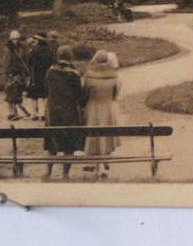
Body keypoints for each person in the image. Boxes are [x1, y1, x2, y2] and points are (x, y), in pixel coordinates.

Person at [44, 45, 85, 179]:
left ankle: (48, 172)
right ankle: (65, 174)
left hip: (53, 111)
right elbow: (79, 95)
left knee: (52, 144)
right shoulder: (74, 74)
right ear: (70, 57)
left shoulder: (50, 71)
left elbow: (46, 90)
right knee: (69, 144)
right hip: (69, 112)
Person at [83, 50, 122, 176]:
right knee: (106, 134)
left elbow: (84, 95)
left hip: (93, 106)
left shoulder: (89, 76)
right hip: (108, 107)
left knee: (93, 133)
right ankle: (105, 161)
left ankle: (93, 162)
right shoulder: (115, 76)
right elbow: (116, 94)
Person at [4, 31, 32, 120]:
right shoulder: (9, 49)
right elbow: (6, 62)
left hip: (20, 73)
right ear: (10, 40)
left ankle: (17, 112)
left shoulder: (22, 47)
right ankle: (12, 113)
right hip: (12, 73)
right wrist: (8, 73)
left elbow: (26, 59)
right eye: (13, 39)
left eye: (16, 39)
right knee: (11, 94)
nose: (15, 41)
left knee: (17, 93)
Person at [26, 33, 53, 120]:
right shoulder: (49, 50)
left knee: (34, 96)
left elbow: (29, 63)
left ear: (37, 40)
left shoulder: (33, 50)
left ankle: (35, 114)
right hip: (46, 74)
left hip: (36, 75)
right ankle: (44, 114)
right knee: (45, 95)